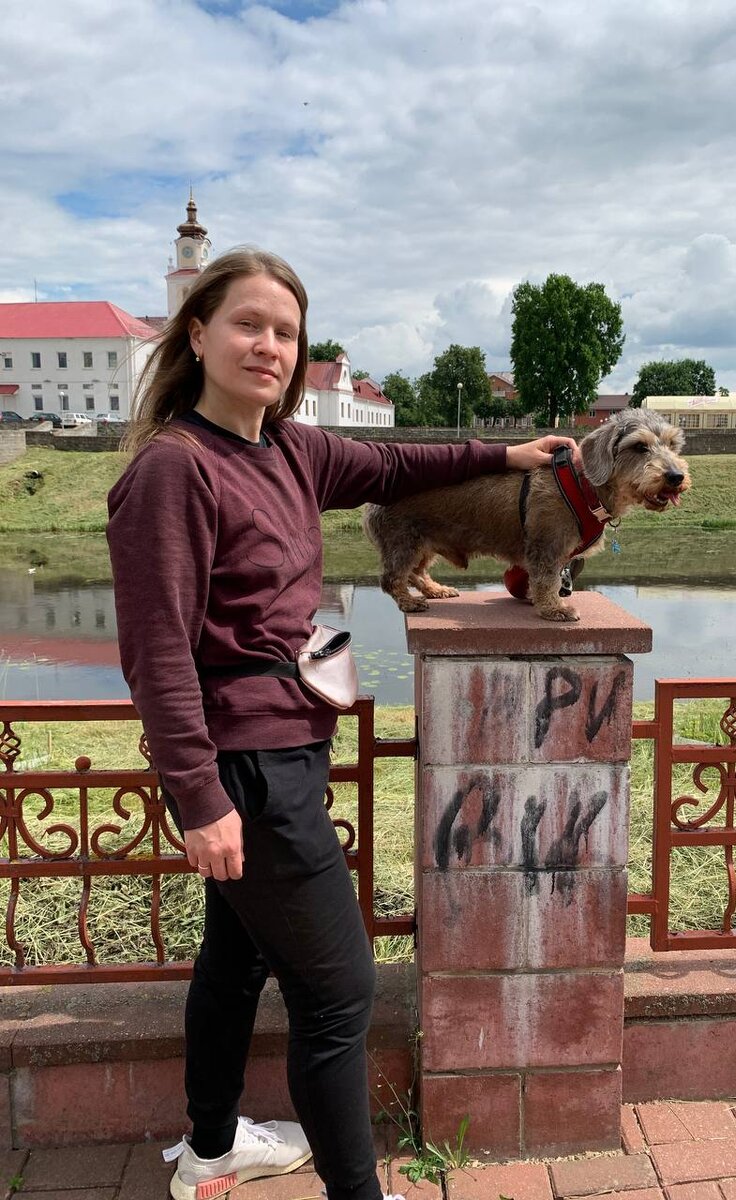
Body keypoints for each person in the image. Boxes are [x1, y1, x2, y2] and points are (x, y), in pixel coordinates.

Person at [106, 247, 578, 1200]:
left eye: (286, 332)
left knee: (237, 960)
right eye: (248, 324)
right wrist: (200, 798)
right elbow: (156, 655)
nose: (269, 346)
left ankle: (209, 1149)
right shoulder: (174, 471)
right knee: (340, 992)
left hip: (285, 747)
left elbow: (399, 461)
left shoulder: (287, 448)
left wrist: (509, 454)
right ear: (196, 334)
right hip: (248, 768)